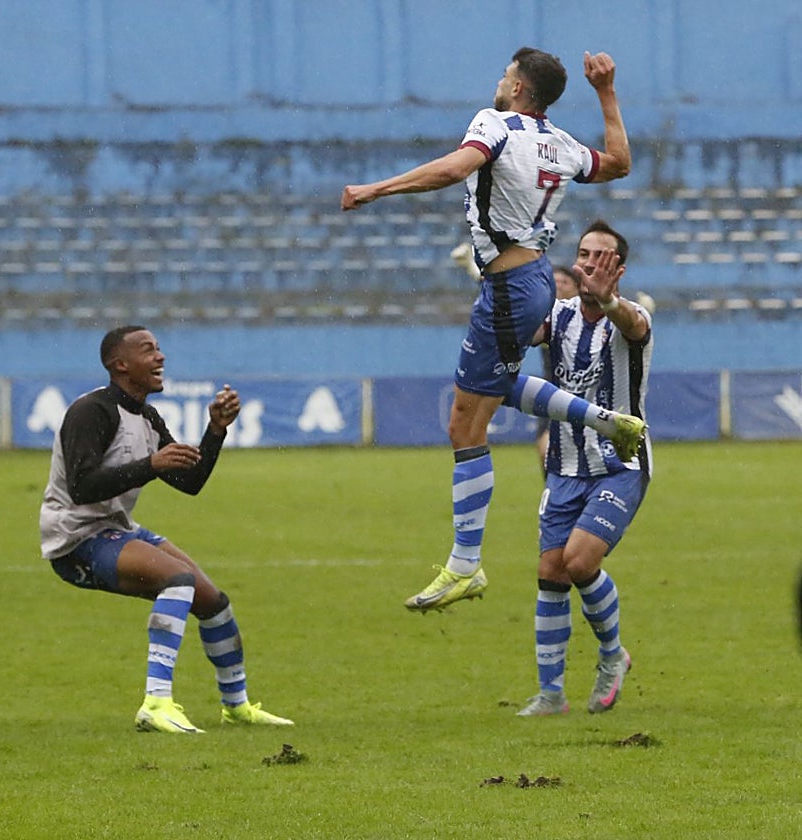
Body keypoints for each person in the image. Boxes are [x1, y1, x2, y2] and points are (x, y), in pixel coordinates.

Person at [341, 47, 646, 612]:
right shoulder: (562, 144)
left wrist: (374, 190)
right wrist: (605, 93)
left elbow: (456, 168)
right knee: (487, 391)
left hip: (510, 290)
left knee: (465, 423)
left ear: (520, 89)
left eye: (505, 76)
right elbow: (621, 163)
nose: (498, 82)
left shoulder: (494, 124)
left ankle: (464, 565)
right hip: (527, 282)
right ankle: (604, 419)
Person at [39, 325, 293, 733]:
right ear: (119, 364)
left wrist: (216, 430)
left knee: (213, 601)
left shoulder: (148, 417)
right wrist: (150, 466)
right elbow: (82, 487)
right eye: (148, 350)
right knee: (177, 579)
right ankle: (156, 703)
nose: (160, 357)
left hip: (116, 527)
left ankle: (237, 705)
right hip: (75, 538)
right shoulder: (91, 411)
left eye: (159, 349)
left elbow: (189, 482)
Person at [514, 220, 651, 716]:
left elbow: (634, 325)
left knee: (579, 561)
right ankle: (551, 693)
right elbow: (522, 332)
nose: (590, 263)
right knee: (551, 571)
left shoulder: (631, 317)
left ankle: (612, 656)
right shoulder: (560, 315)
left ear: (618, 268)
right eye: (585, 254)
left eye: (601, 256)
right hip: (565, 465)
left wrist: (610, 301)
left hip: (620, 464)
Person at [535, 265, 581, 469]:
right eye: (556, 282)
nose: (560, 286)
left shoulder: (587, 317)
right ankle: (555, 491)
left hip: (586, 390)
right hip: (553, 390)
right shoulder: (543, 314)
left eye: (565, 282)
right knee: (546, 451)